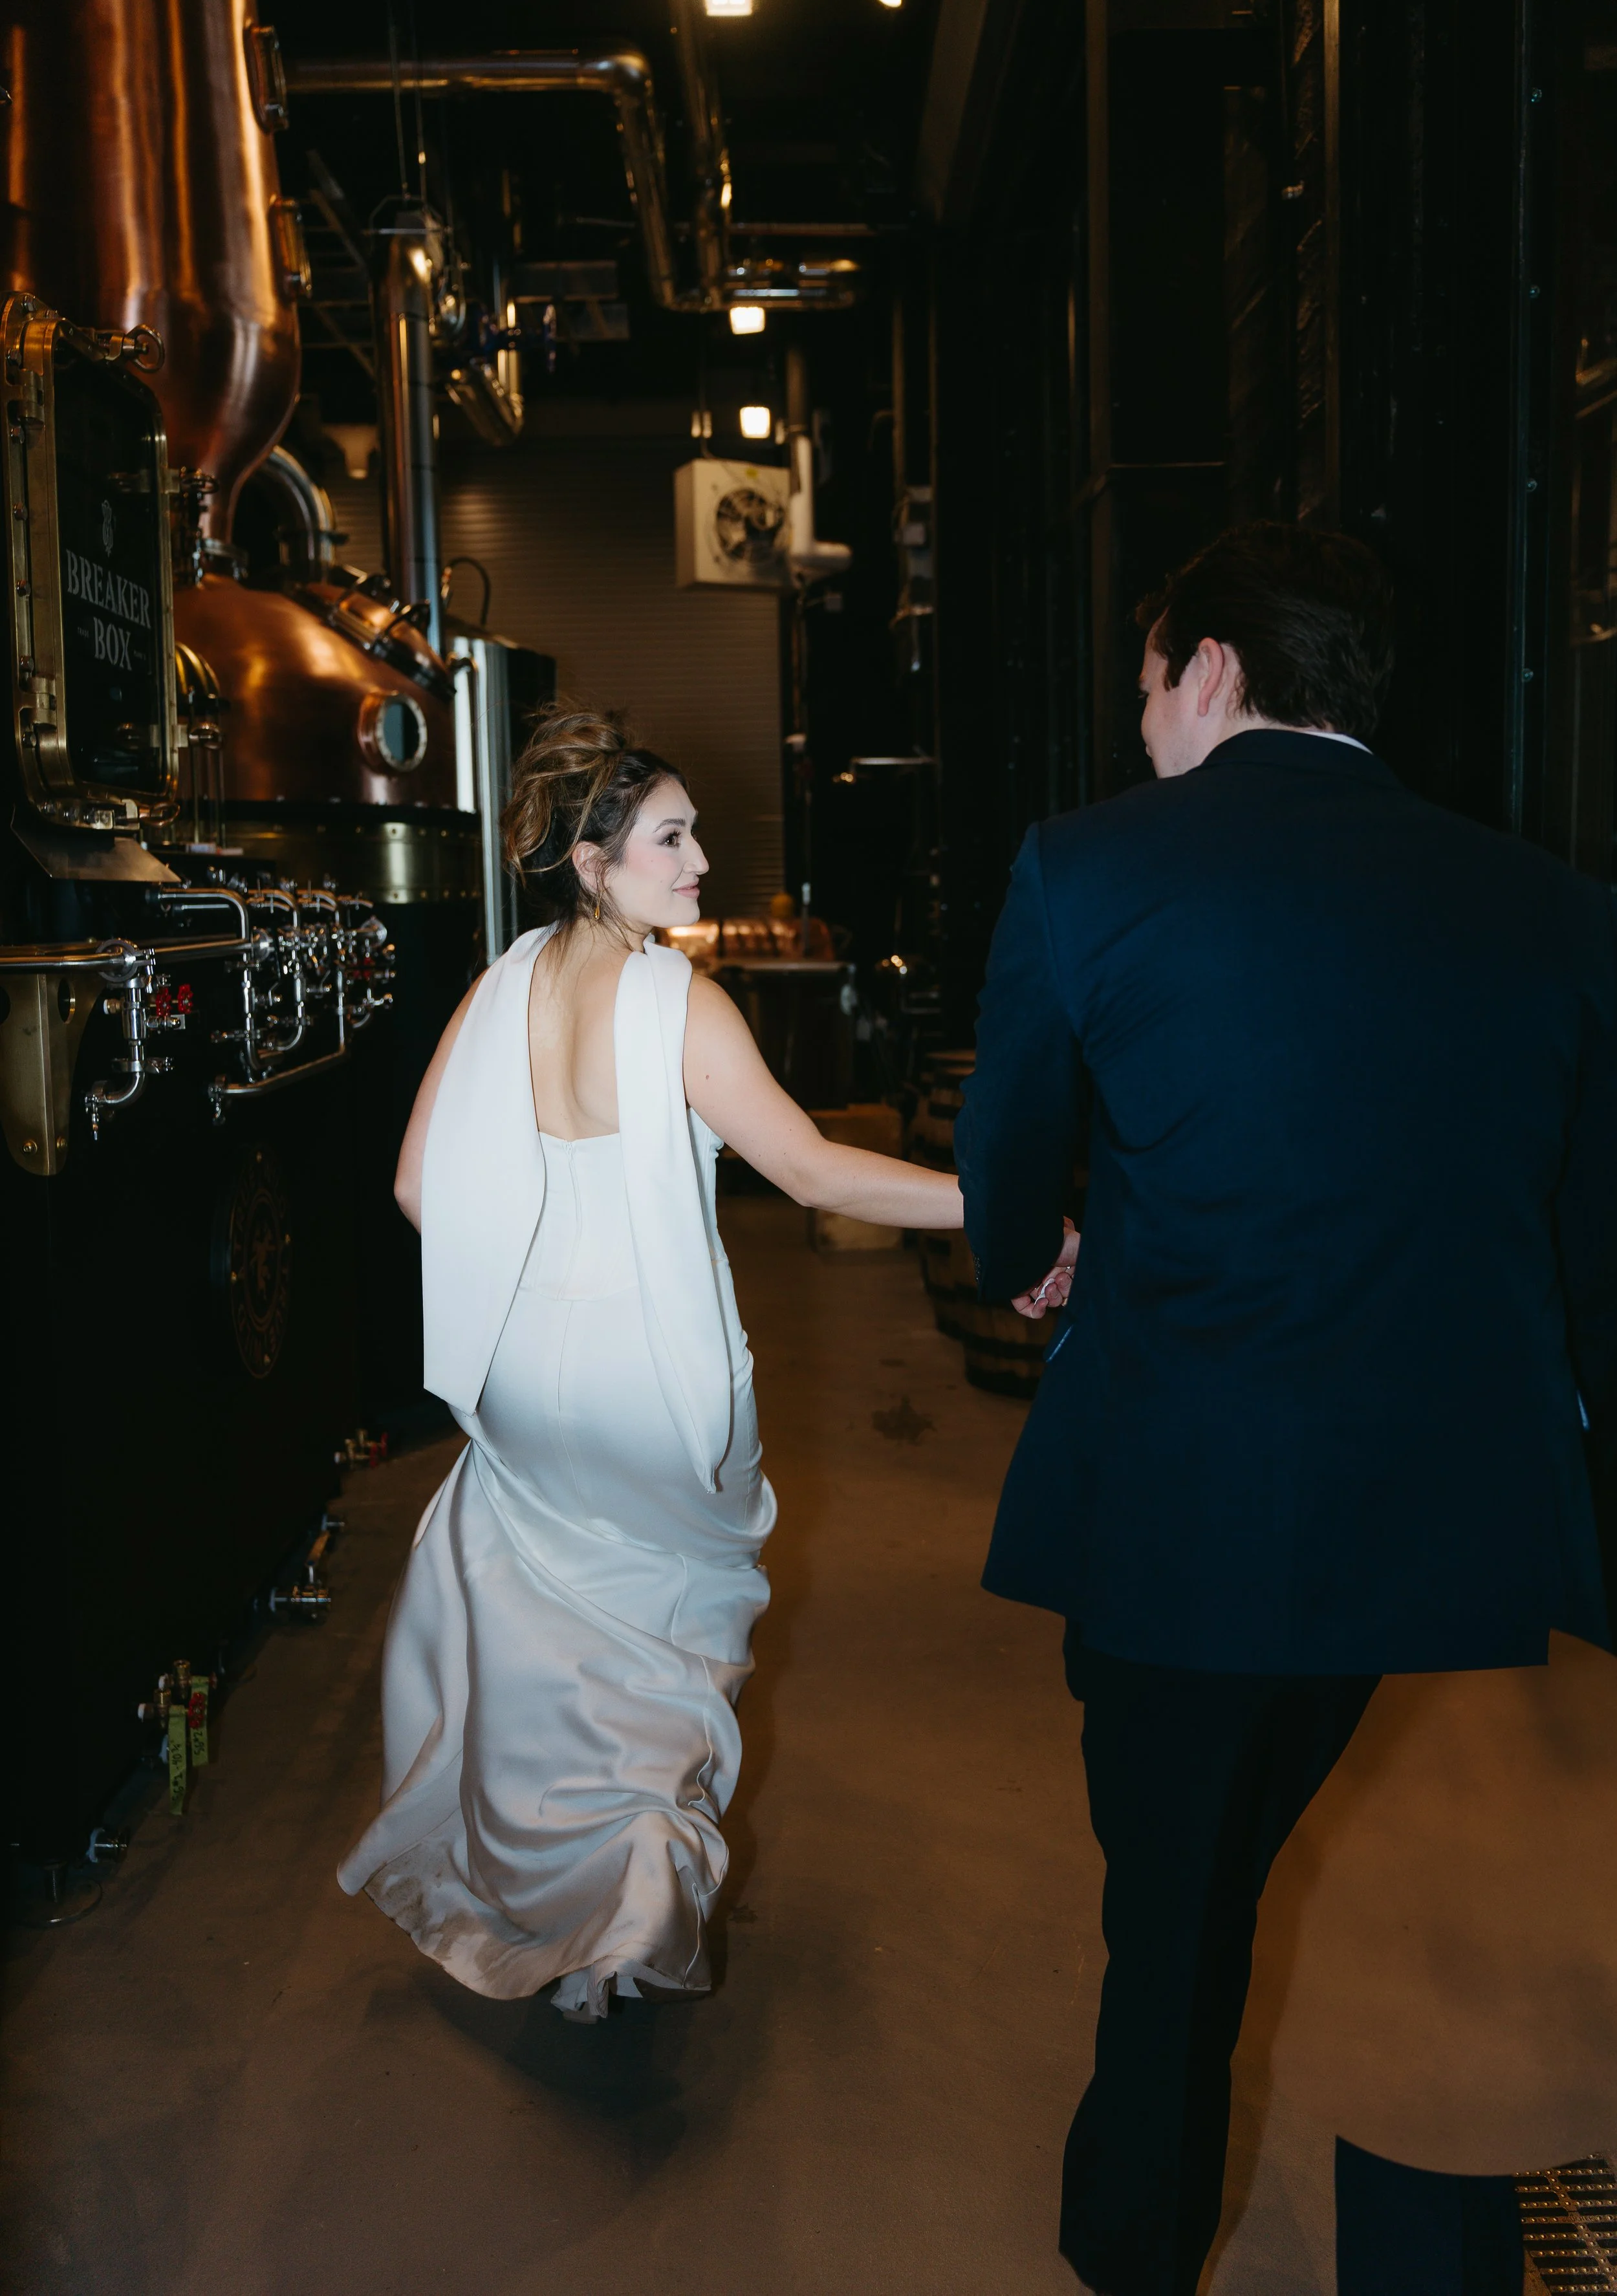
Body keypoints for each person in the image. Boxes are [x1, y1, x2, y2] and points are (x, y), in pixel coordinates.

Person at [955, 523, 1617, 2296]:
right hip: (1434, 1521)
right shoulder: (1548, 905)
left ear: (1219, 668)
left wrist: (1025, 1253)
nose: (1142, 721)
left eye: (1151, 681)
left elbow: (1006, 1147)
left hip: (1182, 1504)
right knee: (1330, 1890)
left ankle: (1133, 2249)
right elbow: (1585, 1232)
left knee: (1169, 1912)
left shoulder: (1085, 869)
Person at [339, 710, 963, 2019]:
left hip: (521, 1371)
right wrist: (992, 1206)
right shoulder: (679, 1002)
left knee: (558, 1664)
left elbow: (412, 1185)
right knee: (659, 1679)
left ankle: (547, 1908)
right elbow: (809, 1171)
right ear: (591, 858)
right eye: (669, 841)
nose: (697, 867)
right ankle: (622, 1918)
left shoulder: (503, 980)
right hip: (643, 1376)